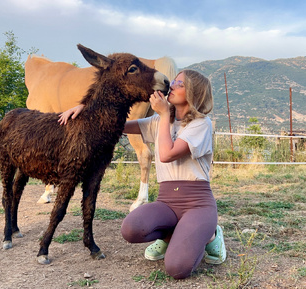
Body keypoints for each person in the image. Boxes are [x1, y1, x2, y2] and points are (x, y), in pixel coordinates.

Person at [58, 69, 226, 279]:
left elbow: (167, 154)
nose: (171, 85)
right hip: (167, 201)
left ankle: (210, 235)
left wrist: (164, 114)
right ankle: (172, 235)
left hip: (197, 203)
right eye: (173, 81)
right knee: (131, 229)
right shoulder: (160, 121)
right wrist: (85, 109)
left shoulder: (201, 124)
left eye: (180, 84)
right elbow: (115, 126)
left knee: (177, 268)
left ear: (195, 93)